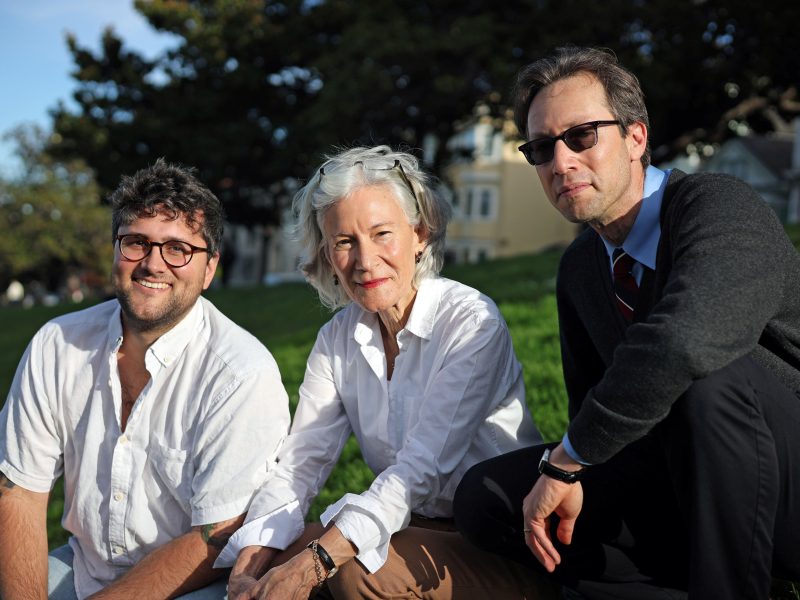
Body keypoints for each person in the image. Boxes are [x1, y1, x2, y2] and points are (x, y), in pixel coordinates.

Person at [454, 46, 800, 599]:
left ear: (636, 138)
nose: (560, 162)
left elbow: (687, 340)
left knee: (706, 375)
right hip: (676, 485)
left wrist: (567, 460)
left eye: (581, 136)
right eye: (541, 147)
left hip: (783, 480)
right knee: (487, 498)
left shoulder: (718, 206)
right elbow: (594, 411)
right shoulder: (580, 268)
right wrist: (569, 469)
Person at [216, 145, 558, 600]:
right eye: (344, 242)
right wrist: (248, 567)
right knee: (284, 557)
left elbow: (421, 469)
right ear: (327, 254)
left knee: (353, 571)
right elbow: (300, 466)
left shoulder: (471, 321)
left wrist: (311, 566)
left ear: (420, 234)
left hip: (502, 543)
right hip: (415, 528)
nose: (364, 260)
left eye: (381, 234)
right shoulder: (337, 338)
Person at [0, 159, 290, 599]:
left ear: (209, 268)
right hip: (86, 567)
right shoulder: (56, 344)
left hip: (197, 584)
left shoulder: (242, 373)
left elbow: (214, 537)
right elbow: (18, 492)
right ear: (116, 251)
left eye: (178, 249)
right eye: (136, 242)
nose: (153, 264)